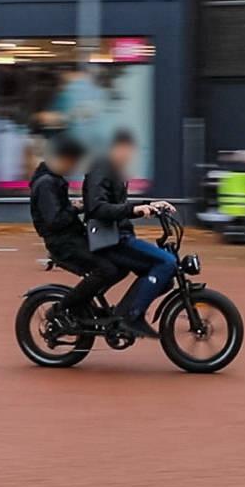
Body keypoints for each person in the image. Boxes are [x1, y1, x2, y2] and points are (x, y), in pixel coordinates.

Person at [84, 130, 177, 339]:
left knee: (165, 276)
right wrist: (134, 210)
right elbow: (97, 208)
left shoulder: (114, 171)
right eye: (129, 151)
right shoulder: (101, 168)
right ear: (119, 148)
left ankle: (123, 314)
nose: (130, 156)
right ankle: (131, 316)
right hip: (111, 241)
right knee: (167, 262)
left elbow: (121, 207)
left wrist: (152, 205)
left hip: (119, 237)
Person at [28, 136, 125, 319]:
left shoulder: (52, 180)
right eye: (73, 162)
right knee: (106, 269)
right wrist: (75, 208)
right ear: (64, 159)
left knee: (117, 263)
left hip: (70, 238)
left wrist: (73, 206)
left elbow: (56, 212)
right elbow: (54, 220)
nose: (73, 168)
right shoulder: (47, 183)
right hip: (64, 243)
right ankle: (62, 309)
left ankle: (86, 302)